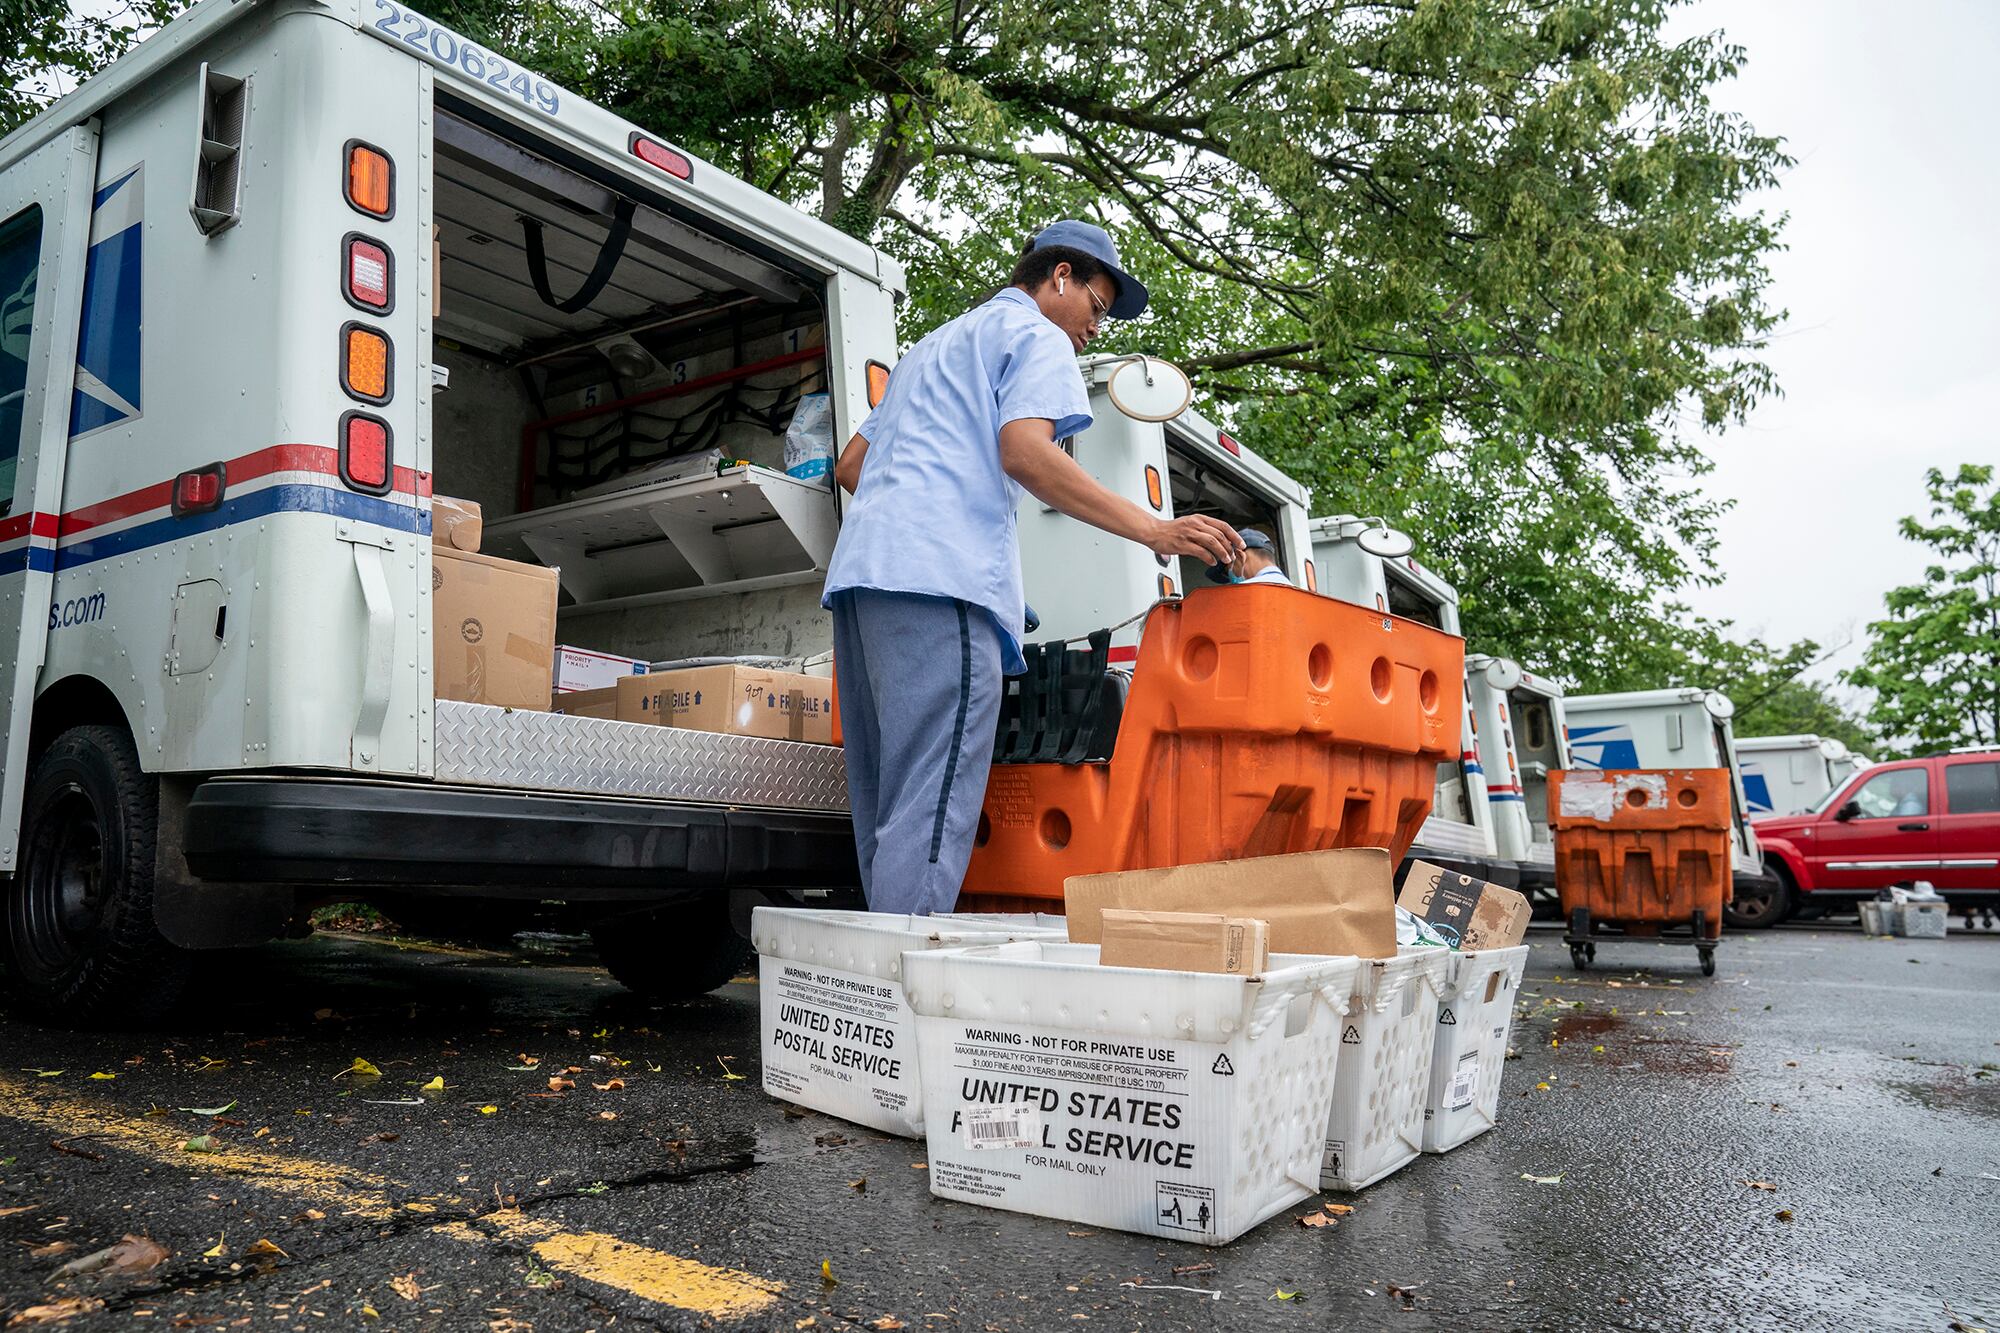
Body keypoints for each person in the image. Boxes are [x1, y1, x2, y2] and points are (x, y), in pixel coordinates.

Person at [824, 220, 1244, 915]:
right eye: (1097, 308)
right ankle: (902, 994)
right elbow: (1025, 452)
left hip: (865, 585)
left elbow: (851, 466)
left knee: (888, 804)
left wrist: (926, 515)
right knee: (931, 806)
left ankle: (876, 981)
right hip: (942, 587)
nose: (1095, 329)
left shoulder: (932, 348)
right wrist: (1153, 528)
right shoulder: (1038, 337)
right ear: (1059, 278)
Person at [1204, 527, 1290, 585]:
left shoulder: (1241, 596)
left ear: (1239, 557)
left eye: (1228, 571)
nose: (1231, 579)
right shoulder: (1300, 593)